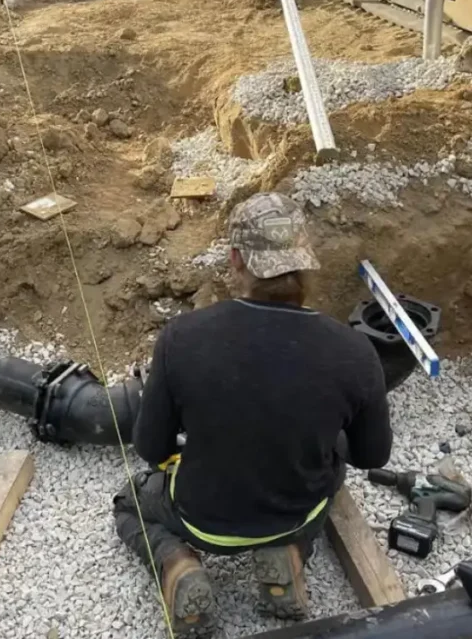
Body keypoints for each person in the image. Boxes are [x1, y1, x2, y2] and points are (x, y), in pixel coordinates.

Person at [112, 192, 393, 635]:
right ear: (305, 261)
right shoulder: (355, 351)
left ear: (236, 259)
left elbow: (151, 448)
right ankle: (289, 554)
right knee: (330, 477)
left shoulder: (182, 337)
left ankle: (177, 562)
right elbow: (372, 455)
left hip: (201, 519)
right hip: (295, 513)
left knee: (129, 503)